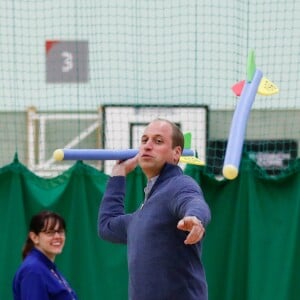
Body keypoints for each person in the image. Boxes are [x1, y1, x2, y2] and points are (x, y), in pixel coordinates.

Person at [98, 118, 211, 300]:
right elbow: (107, 226)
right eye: (144, 140)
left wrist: (195, 218)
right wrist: (118, 173)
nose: (148, 146)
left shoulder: (179, 185)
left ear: (176, 153)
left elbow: (193, 200)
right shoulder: (141, 216)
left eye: (158, 141)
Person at [13, 210, 78, 300]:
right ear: (34, 237)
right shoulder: (33, 270)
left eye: (61, 231)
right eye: (50, 232)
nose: (57, 236)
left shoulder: (47, 268)